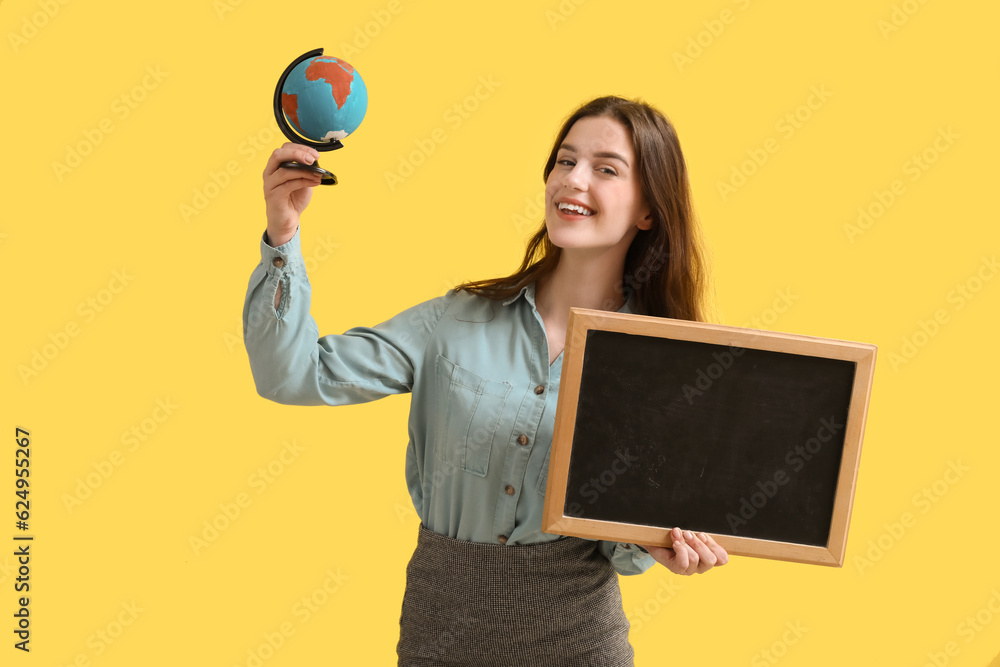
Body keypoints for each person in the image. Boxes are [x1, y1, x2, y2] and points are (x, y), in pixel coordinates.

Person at [243, 94, 729, 666]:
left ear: (648, 210)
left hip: (576, 644)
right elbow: (293, 376)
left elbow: (621, 550)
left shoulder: (659, 361)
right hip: (438, 635)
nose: (574, 181)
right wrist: (284, 236)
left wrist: (660, 544)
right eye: (565, 161)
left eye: (606, 169)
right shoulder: (453, 319)